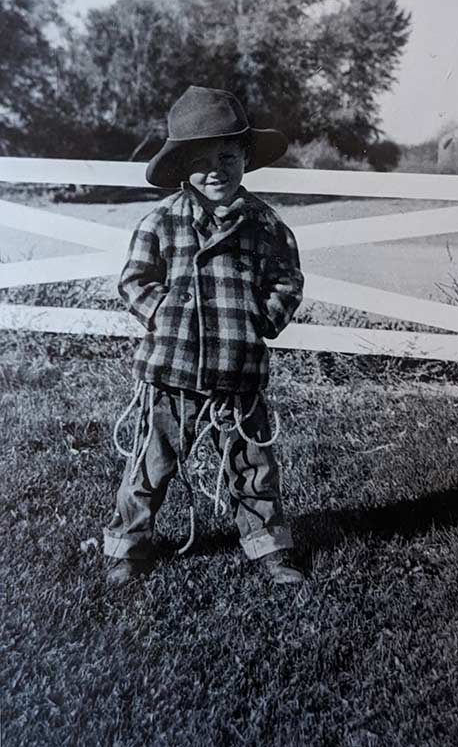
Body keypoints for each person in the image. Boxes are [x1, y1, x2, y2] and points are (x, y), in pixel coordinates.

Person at [103, 86, 305, 586]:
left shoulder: (265, 225)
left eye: (227, 157)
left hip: (239, 373)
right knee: (150, 464)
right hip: (172, 373)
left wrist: (261, 320)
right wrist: (166, 312)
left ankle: (269, 548)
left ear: (244, 159)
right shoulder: (161, 222)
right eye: (201, 161)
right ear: (181, 168)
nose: (216, 171)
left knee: (252, 465)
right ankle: (129, 547)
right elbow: (134, 280)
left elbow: (287, 280)